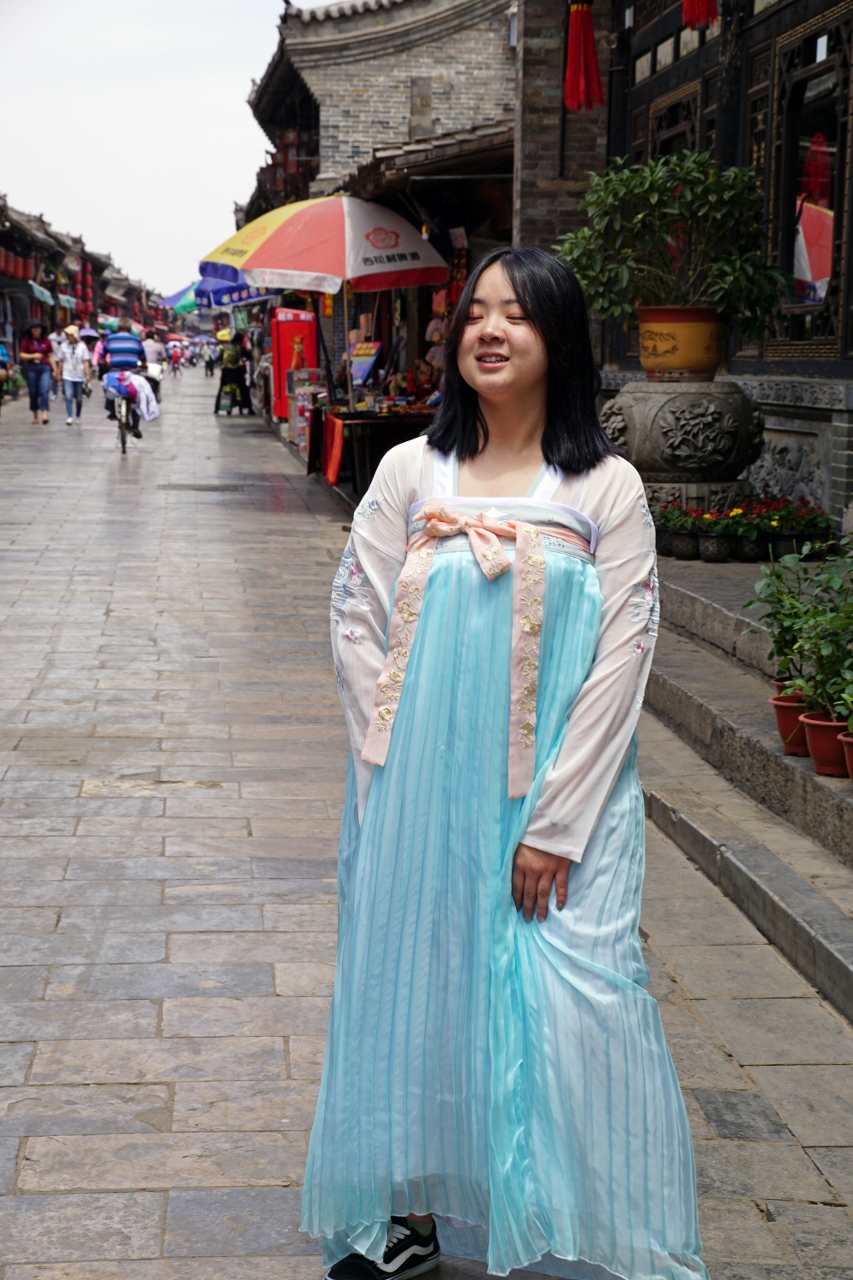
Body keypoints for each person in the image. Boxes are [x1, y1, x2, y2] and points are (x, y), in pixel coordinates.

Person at [302, 247, 707, 1280]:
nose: (488, 329)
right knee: (417, 985)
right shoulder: (410, 471)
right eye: (475, 312)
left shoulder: (605, 487)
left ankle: (579, 1224)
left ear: (558, 338)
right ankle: (405, 1210)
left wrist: (556, 823)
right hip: (419, 794)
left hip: (564, 802)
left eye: (516, 314)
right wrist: (390, 771)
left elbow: (624, 652)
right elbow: (354, 617)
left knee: (579, 997)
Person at [102, 318, 146, 438]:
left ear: (118, 328)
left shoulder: (110, 339)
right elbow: (143, 358)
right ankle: (135, 426)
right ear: (130, 329)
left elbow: (102, 356)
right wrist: (144, 365)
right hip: (133, 373)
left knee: (106, 385)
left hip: (114, 372)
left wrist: (107, 364)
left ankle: (111, 410)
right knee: (137, 397)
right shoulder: (136, 340)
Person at [19, 321, 57, 425]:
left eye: (38, 328)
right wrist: (33, 356)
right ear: (30, 330)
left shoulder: (46, 341)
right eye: (34, 328)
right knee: (33, 392)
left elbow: (50, 356)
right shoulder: (26, 341)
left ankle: (44, 414)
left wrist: (55, 370)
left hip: (44, 367)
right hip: (32, 368)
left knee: (44, 390)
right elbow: (21, 355)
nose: (36, 330)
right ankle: (35, 415)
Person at [56, 324, 91, 424]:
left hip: (79, 375)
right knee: (68, 395)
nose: (68, 337)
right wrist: (58, 373)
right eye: (67, 334)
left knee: (79, 398)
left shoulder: (82, 346)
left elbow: (85, 361)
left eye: (70, 334)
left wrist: (87, 373)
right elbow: (61, 360)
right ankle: (70, 416)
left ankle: (78, 416)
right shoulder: (63, 346)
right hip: (67, 374)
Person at [214, 337, 252, 414]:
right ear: (239, 341)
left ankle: (216, 408)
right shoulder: (239, 348)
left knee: (221, 388)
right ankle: (249, 408)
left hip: (225, 373)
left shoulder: (225, 347)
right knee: (244, 389)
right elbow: (248, 356)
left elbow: (219, 358)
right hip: (236, 372)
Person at [48, 323, 65, 400]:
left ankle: (65, 393)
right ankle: (55, 394)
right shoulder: (51, 337)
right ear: (55, 328)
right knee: (54, 376)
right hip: (54, 359)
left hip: (63, 359)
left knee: (64, 376)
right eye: (58, 328)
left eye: (60, 328)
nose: (59, 330)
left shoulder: (65, 336)